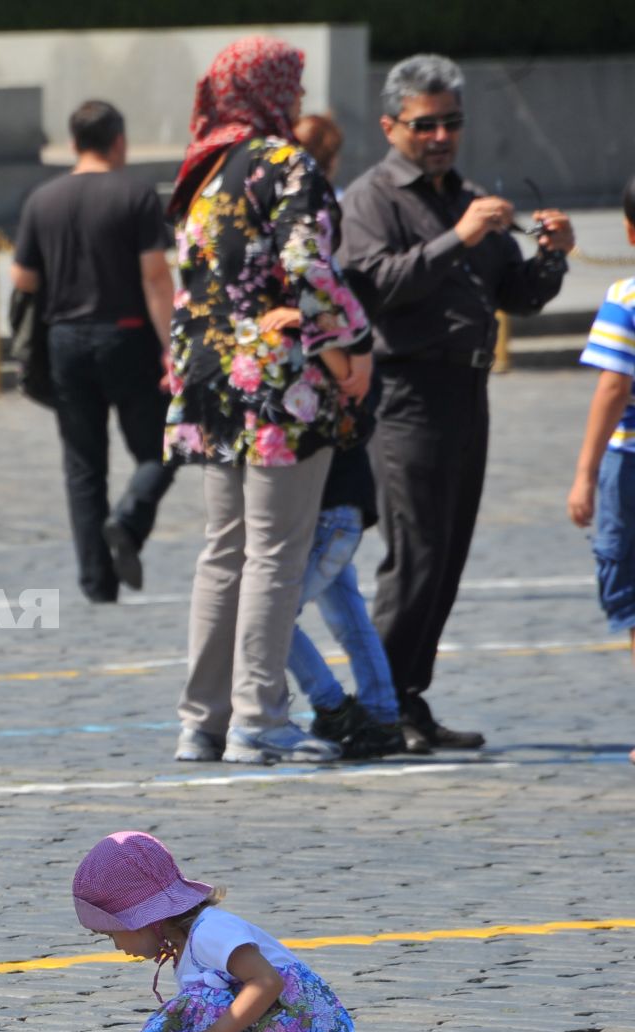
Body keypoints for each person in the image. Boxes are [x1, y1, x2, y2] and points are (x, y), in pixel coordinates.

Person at [340, 54, 574, 754]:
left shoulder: (467, 195)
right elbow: (372, 285)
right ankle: (378, 707)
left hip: (468, 392)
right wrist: (459, 237)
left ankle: (408, 695)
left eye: (452, 123)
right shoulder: (373, 197)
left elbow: (516, 296)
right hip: (405, 391)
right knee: (415, 553)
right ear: (391, 125)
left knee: (448, 556)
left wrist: (552, 258)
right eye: (425, 124)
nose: (441, 136)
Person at [164, 37, 372, 766]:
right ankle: (261, 718)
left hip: (210, 384)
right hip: (280, 383)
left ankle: (202, 722)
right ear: (273, 89)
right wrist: (355, 343)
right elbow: (308, 268)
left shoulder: (205, 167)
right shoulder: (287, 163)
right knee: (275, 555)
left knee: (224, 551)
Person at [75, 831, 367, 1032]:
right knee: (186, 1015)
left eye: (113, 933)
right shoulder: (187, 946)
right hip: (280, 1031)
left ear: (146, 920)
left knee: (192, 1009)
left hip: (303, 1026)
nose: (117, 945)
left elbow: (266, 981)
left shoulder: (210, 931)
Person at [12, 99, 175, 601]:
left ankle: (96, 582)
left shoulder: (43, 199)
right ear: (119, 141)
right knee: (161, 447)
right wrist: (172, 348)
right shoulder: (136, 195)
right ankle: (128, 520)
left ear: (73, 143)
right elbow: (154, 276)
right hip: (128, 335)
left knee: (84, 467)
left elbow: (24, 279)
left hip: (65, 341)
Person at [278, 115, 405, 759]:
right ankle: (380, 713)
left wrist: (297, 327)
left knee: (270, 617)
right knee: (345, 608)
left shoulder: (317, 280)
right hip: (343, 494)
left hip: (330, 494)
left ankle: (333, 705)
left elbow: (351, 370)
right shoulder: (323, 271)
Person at [570, 175, 635, 766]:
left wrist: (585, 473)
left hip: (631, 462)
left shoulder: (627, 296)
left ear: (629, 230)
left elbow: (615, 384)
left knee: (631, 587)